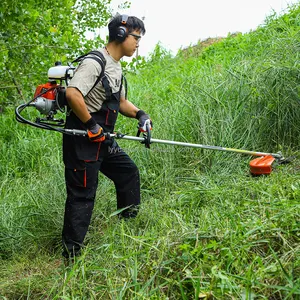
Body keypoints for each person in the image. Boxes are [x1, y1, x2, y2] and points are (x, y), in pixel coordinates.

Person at [61, 14, 151, 259]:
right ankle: (72, 257)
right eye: (136, 37)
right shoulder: (94, 62)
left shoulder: (116, 66)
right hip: (82, 139)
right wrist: (91, 125)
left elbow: (120, 102)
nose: (138, 43)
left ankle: (127, 229)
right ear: (121, 35)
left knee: (128, 172)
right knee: (83, 195)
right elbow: (73, 94)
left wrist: (141, 115)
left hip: (102, 140)